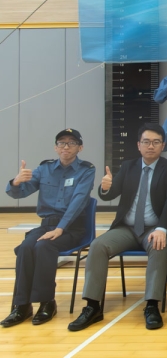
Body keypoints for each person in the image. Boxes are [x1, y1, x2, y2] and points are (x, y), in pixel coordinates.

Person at [68, 124, 167, 331]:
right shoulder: (128, 166)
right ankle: (93, 306)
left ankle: (151, 306)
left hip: (155, 228)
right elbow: (110, 194)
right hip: (127, 228)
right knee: (98, 246)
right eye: (146, 142)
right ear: (139, 145)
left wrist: (162, 229)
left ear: (163, 145)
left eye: (156, 142)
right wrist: (105, 187)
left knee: (159, 246)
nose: (150, 146)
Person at [1, 129, 94, 327]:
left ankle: (47, 302)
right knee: (26, 247)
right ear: (55, 147)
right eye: (61, 143)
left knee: (44, 246)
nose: (66, 147)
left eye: (71, 143)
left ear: (80, 147)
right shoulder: (44, 169)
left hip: (72, 228)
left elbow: (78, 202)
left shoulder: (86, 170)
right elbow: (19, 193)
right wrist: (16, 182)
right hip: (46, 225)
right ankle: (21, 306)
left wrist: (60, 228)